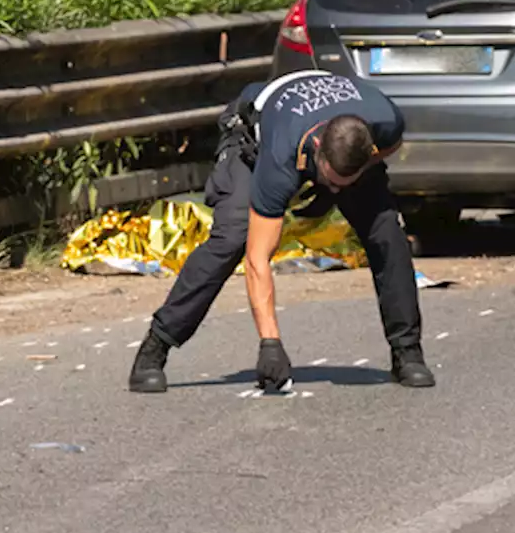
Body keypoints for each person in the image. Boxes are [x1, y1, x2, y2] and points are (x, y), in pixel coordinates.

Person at [127, 69, 436, 393]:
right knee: (234, 236)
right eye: (329, 180)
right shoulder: (280, 157)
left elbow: (388, 150)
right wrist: (269, 342)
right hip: (252, 136)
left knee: (387, 232)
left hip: (337, 141)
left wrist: (333, 190)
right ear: (317, 150)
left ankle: (408, 353)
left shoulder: (385, 121)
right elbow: (257, 259)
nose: (334, 188)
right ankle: (154, 348)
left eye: (342, 184)